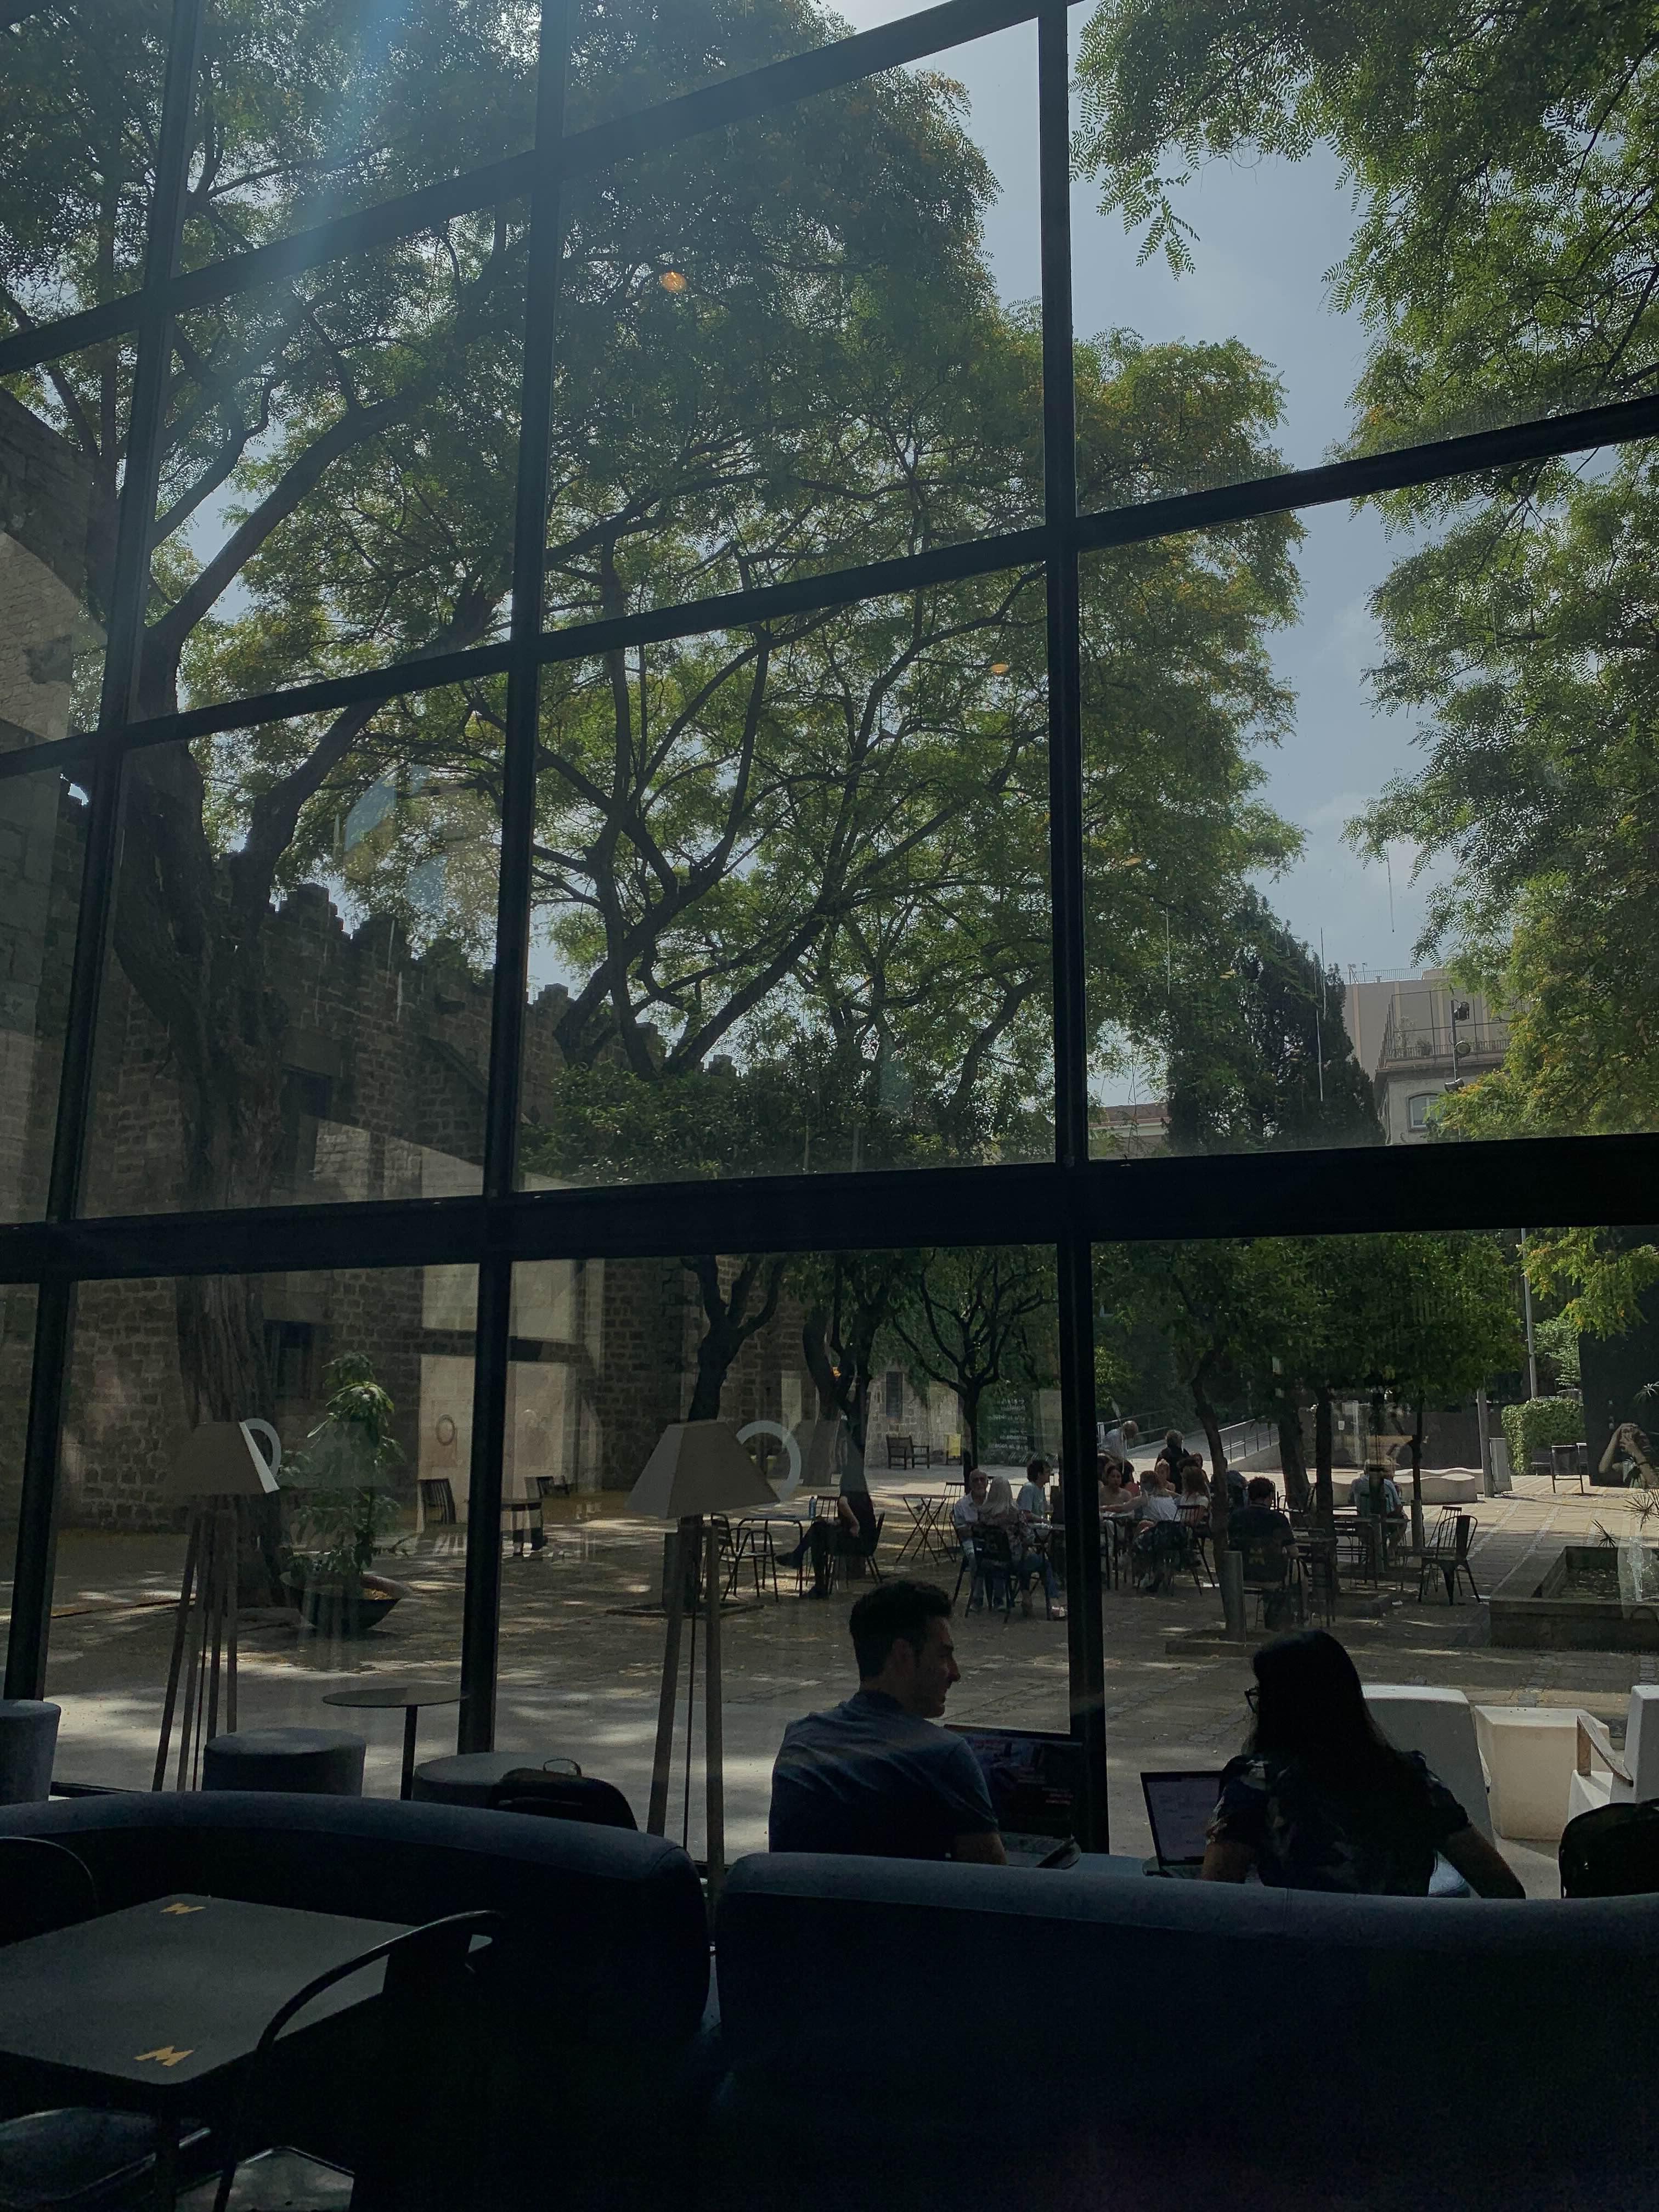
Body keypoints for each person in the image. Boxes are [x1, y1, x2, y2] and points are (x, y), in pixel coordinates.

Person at [1201, 1630, 1525, 1897]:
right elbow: (1505, 1889)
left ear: (1277, 1708)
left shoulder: (1257, 1785)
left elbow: (1213, 1902)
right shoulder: (1412, 1782)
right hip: (1400, 1953)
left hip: (1302, 1954)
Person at [768, 1580, 1006, 1861]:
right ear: (903, 1656)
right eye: (944, 1656)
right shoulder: (944, 1756)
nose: (955, 1673)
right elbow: (992, 1878)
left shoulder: (800, 1741)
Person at [777, 1485, 877, 1596]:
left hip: (858, 1543)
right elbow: (851, 1518)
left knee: (817, 1535)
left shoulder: (850, 1485)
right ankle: (799, 1559)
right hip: (863, 1540)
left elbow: (843, 1503)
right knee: (818, 1530)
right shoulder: (861, 1494)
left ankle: (815, 1581)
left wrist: (855, 1524)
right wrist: (835, 1522)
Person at [1016, 1457, 1051, 1521]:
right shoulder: (1029, 1488)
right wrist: (1042, 1520)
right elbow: (1025, 1513)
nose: (1050, 1474)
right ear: (1039, 1474)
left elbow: (1046, 1510)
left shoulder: (1041, 1489)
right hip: (1030, 1527)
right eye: (1047, 1472)